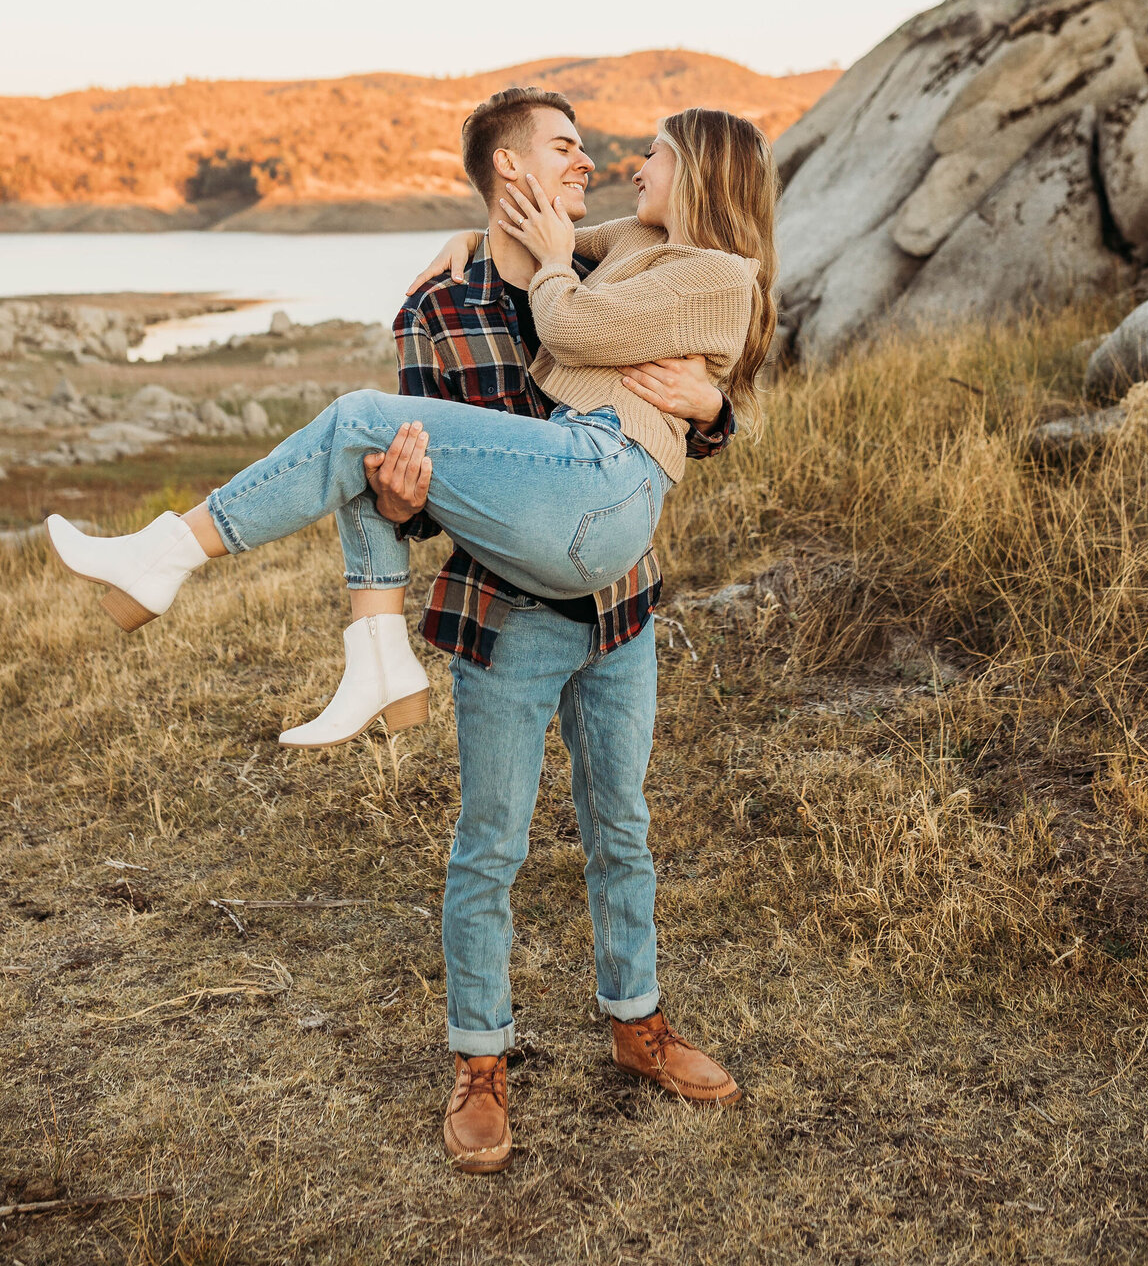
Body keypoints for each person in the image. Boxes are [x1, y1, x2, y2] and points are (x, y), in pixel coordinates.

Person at [45, 91, 779, 1169]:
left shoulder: (632, 264)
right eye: (567, 149)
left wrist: (716, 413)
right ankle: (480, 1059)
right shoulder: (437, 307)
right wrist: (395, 504)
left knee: (621, 825)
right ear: (508, 173)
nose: (598, 164)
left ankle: (640, 1024)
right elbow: (411, 492)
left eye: (614, 152)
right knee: (491, 845)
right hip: (508, 613)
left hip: (618, 600)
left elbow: (676, 398)